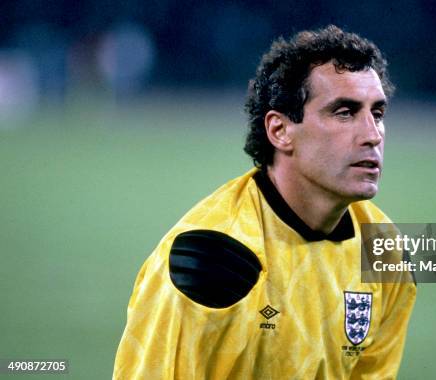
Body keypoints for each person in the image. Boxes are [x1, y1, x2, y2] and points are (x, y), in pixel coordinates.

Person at [114, 25, 416, 379]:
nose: (372, 135)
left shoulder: (385, 250)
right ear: (280, 131)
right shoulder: (208, 260)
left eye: (377, 114)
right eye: (344, 112)